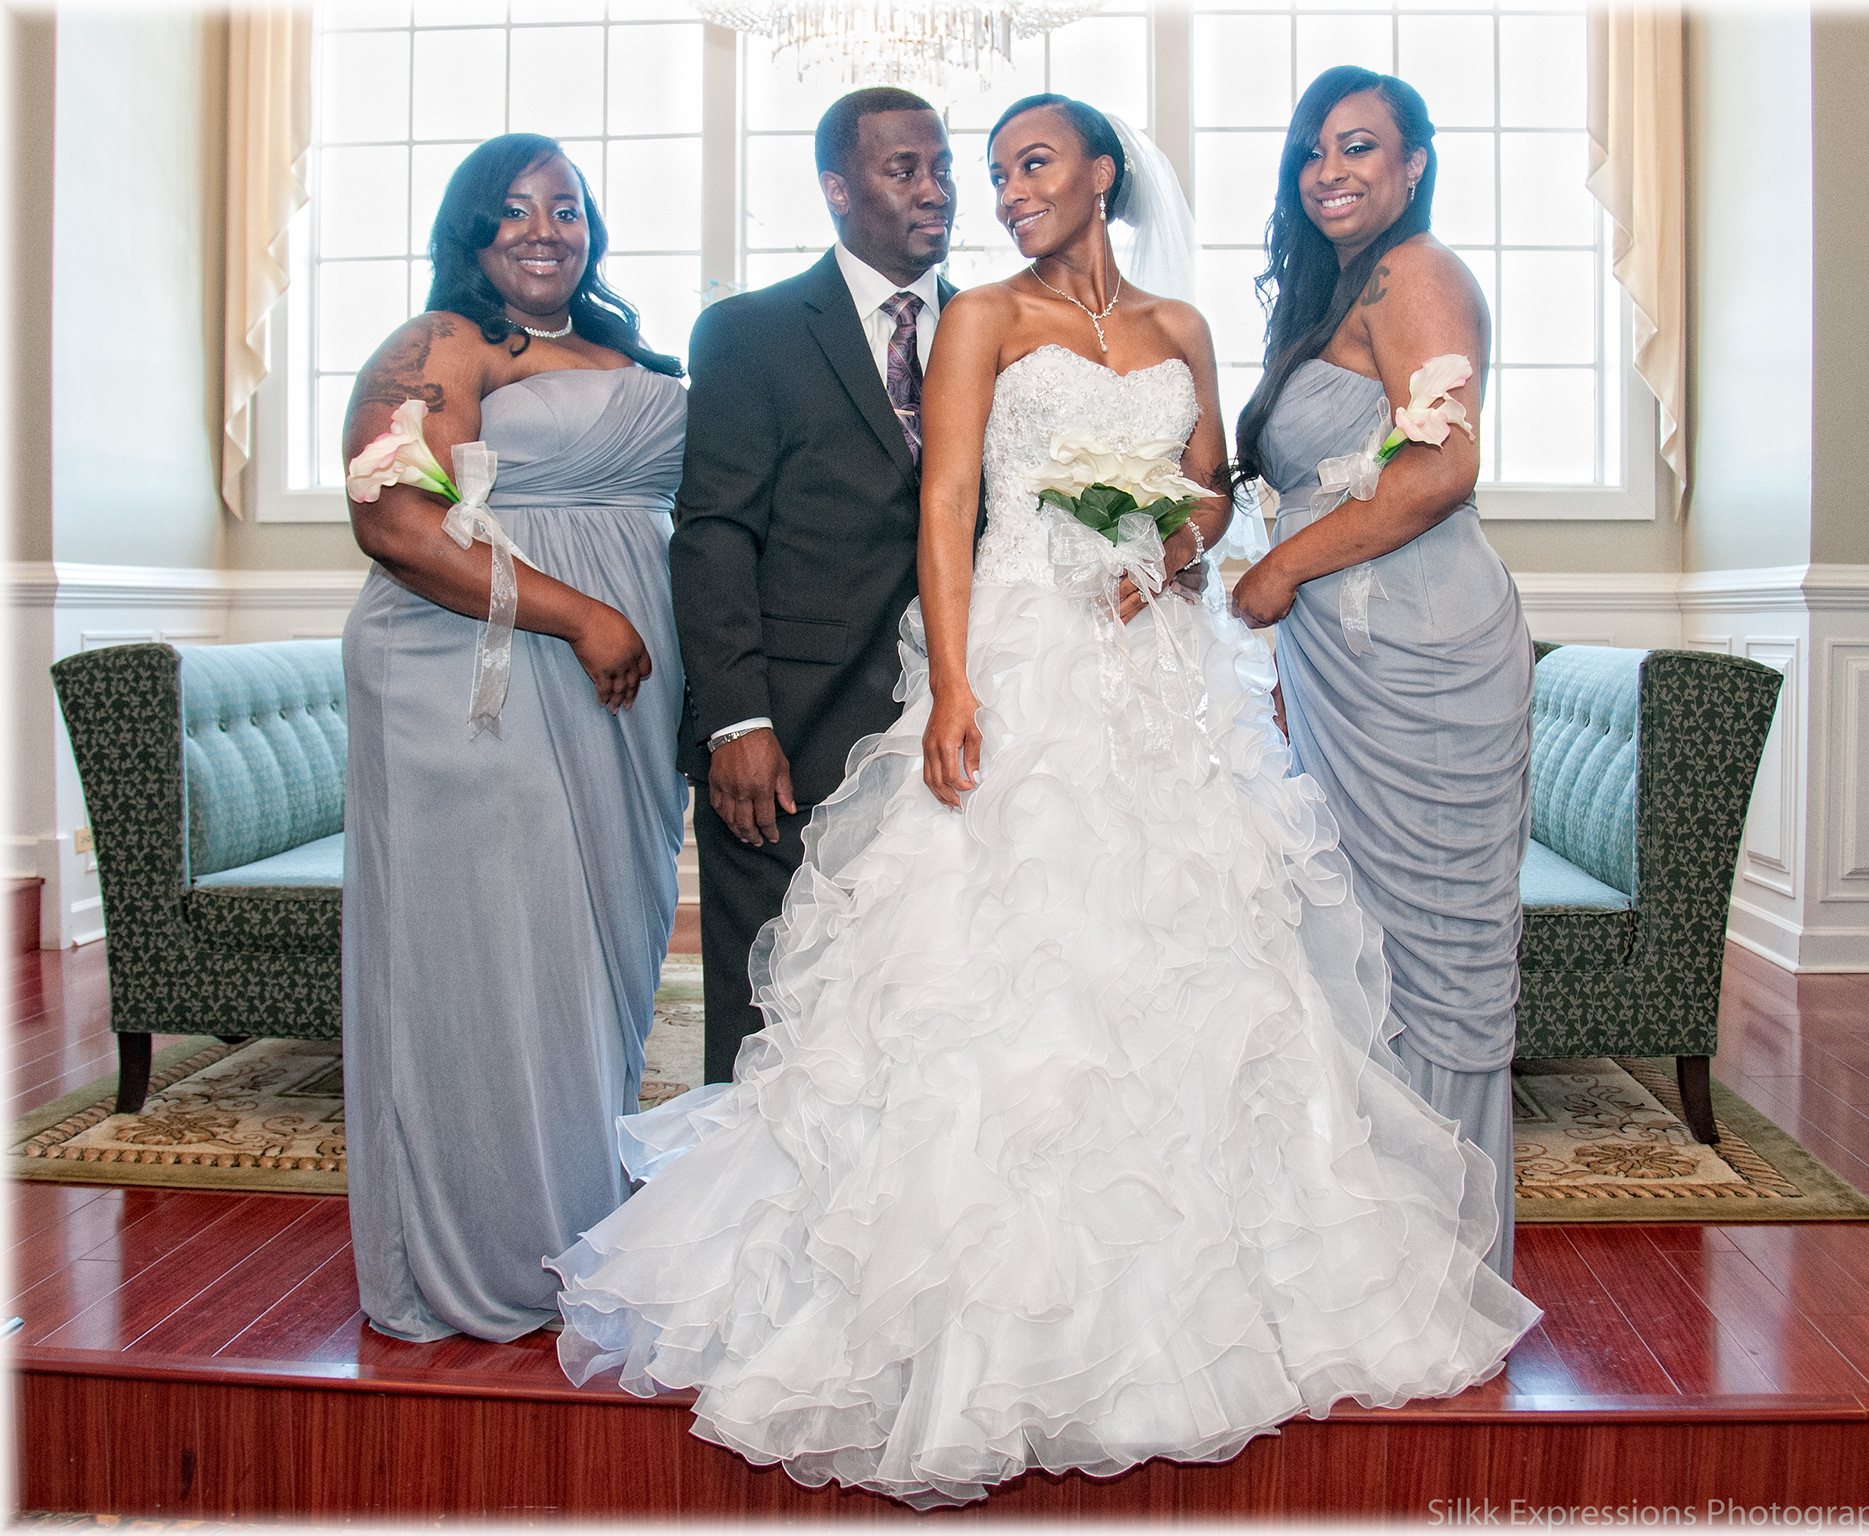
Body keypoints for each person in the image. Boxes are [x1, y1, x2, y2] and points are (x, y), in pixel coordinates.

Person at [547, 95, 1539, 1507]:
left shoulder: (1184, 328)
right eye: (995, 171)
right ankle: (966, 1308)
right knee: (996, 965)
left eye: (1032, 165)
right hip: (1021, 660)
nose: (1005, 192)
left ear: (1102, 175)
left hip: (1155, 673)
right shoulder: (982, 320)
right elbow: (948, 502)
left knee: (1189, 956)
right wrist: (955, 686)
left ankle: (1197, 1295)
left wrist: (1169, 542)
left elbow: (1209, 494)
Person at [340, 134, 688, 1342]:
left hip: (622, 693)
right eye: (515, 209)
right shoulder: (439, 343)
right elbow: (396, 523)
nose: (545, 229)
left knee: (599, 950)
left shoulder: (621, 346)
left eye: (567, 208)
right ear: (471, 228)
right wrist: (582, 613)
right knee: (499, 945)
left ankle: (576, 1209)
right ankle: (489, 1243)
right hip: (475, 673)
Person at [1229, 68, 1534, 1282]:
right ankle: (1370, 1254)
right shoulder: (1338, 295)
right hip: (1344, 665)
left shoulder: (1419, 273)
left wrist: (1280, 570)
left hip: (1426, 652)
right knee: (1351, 946)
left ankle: (1445, 1259)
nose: (1329, 170)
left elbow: (1440, 470)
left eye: (1360, 146)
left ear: (1414, 165)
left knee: (1432, 954)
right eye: (1313, 150)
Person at [669, 88, 959, 1085]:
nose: (936, 190)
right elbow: (714, 534)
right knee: (771, 1022)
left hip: (950, 733)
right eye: (904, 169)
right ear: (837, 189)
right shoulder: (748, 332)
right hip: (790, 734)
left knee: (925, 1012)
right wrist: (735, 723)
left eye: (943, 167)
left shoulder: (991, 331)